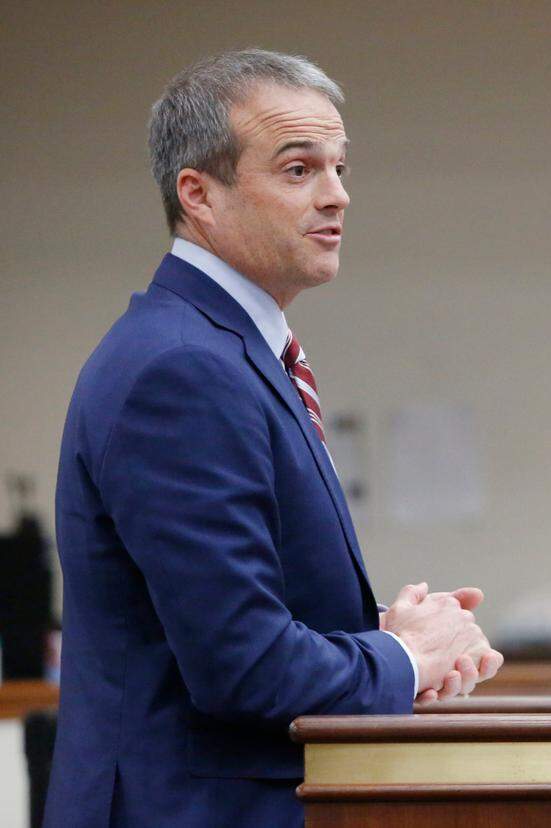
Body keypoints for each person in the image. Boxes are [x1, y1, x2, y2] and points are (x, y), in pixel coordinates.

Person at [45, 50, 503, 827]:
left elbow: (223, 619)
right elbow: (243, 667)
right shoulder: (182, 369)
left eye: (340, 167)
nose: (339, 196)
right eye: (299, 170)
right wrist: (403, 659)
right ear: (200, 195)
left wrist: (379, 638)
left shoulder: (223, 351)